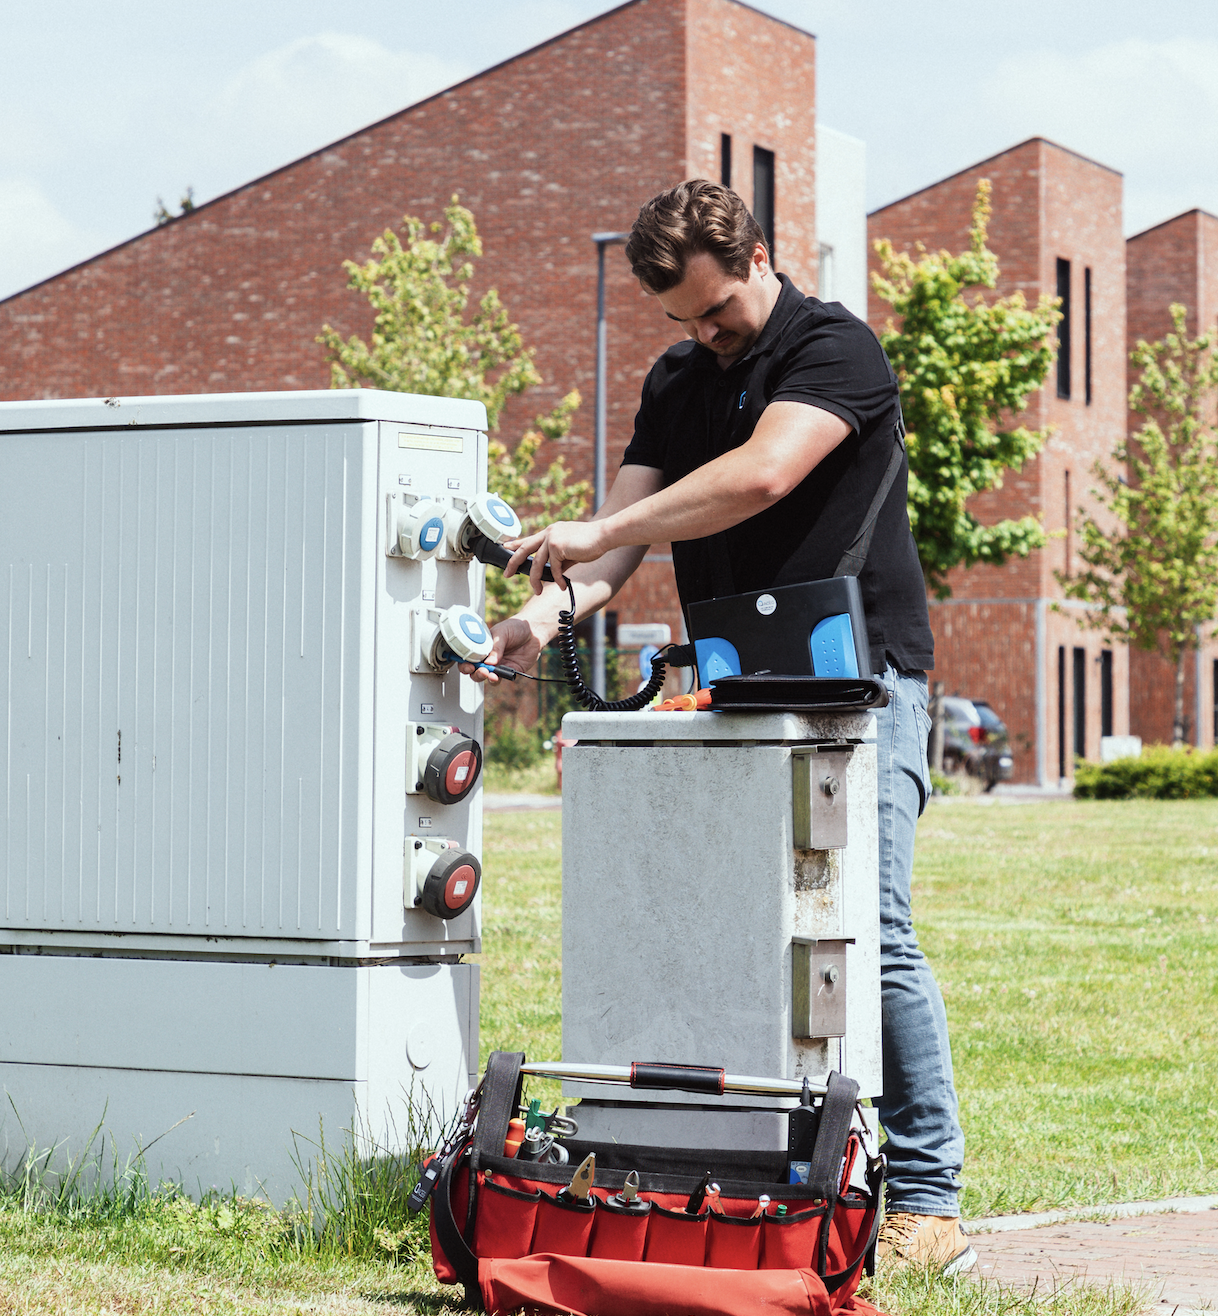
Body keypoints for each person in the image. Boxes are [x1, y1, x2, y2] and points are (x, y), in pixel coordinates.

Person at [463, 179, 974, 1273]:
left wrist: (599, 525)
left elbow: (761, 475)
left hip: (864, 685)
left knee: (869, 930)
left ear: (758, 257)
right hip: (742, 689)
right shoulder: (679, 379)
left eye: (717, 311)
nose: (704, 335)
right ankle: (773, 1173)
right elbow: (615, 548)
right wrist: (539, 618)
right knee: (742, 931)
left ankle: (932, 1201)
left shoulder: (836, 348)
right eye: (681, 320)